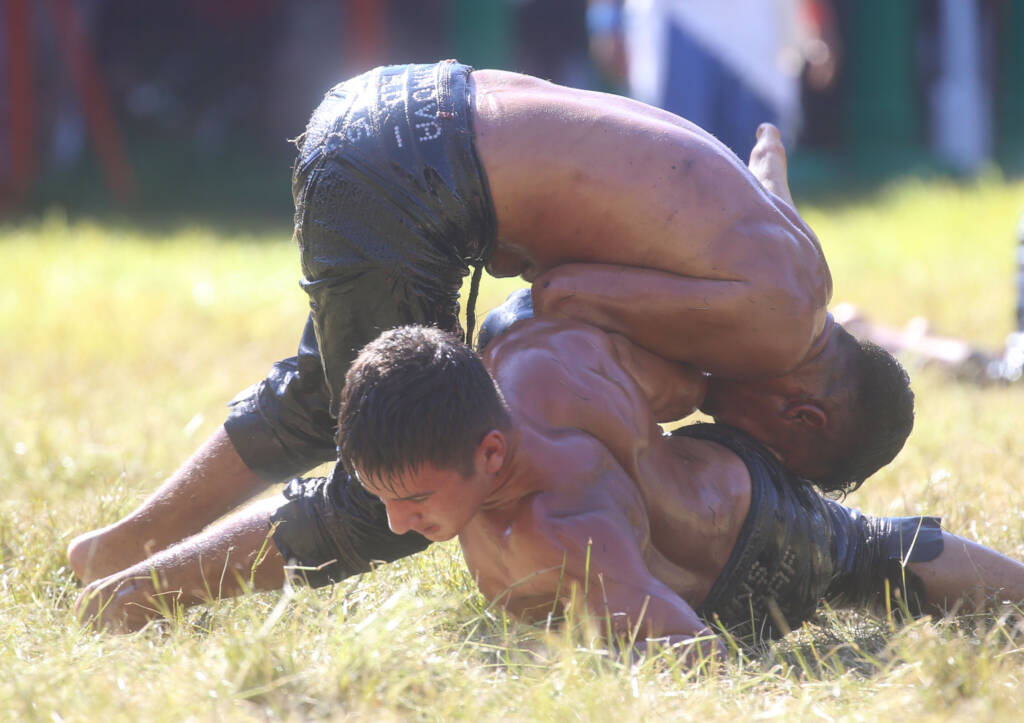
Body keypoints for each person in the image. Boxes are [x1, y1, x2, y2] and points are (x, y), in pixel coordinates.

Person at [67, 60, 912, 587]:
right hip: (415, 183)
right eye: (771, 451)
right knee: (406, 476)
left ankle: (120, 546)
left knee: (337, 393)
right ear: (807, 414)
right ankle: (132, 598)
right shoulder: (779, 329)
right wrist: (674, 380)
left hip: (399, 108)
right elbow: (568, 296)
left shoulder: (800, 265)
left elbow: (768, 165)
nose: (728, 438)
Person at [74, 318, 1023, 651]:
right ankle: (125, 589)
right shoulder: (534, 351)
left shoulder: (569, 536)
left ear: (490, 456)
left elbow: (691, 653)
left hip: (754, 542)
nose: (392, 520)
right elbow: (699, 356)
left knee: (871, 553)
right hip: (703, 465)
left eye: (410, 501)